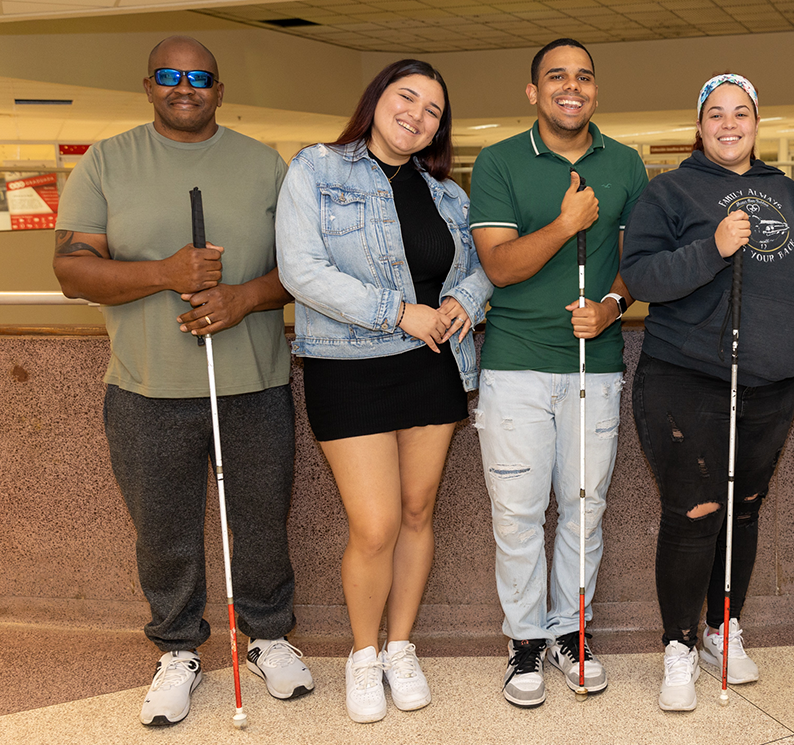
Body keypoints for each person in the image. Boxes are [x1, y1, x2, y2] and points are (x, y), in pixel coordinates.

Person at [52, 36, 312, 727]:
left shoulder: (264, 165)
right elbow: (72, 271)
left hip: (252, 382)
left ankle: (269, 634)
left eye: (201, 77)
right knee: (162, 529)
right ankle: (176, 648)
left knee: (261, 518)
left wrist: (242, 299)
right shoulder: (108, 161)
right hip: (145, 388)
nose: (185, 86)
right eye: (170, 75)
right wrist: (165, 273)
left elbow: (303, 269)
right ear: (148, 85)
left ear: (220, 91)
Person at [275, 59, 491, 723]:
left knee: (418, 510)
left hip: (432, 365)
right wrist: (400, 311)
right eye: (407, 98)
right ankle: (363, 654)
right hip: (352, 366)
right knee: (375, 523)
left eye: (432, 111)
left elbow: (480, 268)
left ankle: (401, 645)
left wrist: (461, 299)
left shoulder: (449, 196)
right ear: (376, 100)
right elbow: (300, 271)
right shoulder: (317, 168)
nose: (418, 115)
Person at [622, 73, 794, 711]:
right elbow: (640, 276)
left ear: (757, 124)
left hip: (769, 384)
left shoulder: (786, 193)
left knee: (743, 510)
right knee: (695, 513)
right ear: (700, 125)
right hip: (686, 379)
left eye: (742, 113)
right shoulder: (670, 190)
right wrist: (710, 248)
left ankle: (722, 626)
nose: (730, 124)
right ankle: (679, 646)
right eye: (717, 114)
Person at [467, 38, 649, 708]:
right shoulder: (499, 161)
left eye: (582, 77)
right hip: (514, 366)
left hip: (592, 366)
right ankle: (522, 641)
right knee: (516, 512)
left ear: (595, 89)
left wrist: (610, 305)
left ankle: (572, 632)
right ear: (533, 91)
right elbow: (500, 266)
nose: (570, 87)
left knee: (583, 507)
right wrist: (566, 223)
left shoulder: (626, 164)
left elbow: (646, 262)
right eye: (555, 77)